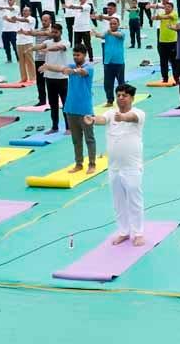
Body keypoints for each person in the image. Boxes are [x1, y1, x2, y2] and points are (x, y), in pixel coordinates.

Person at [84, 83, 146, 246]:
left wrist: (123, 117)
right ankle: (124, 232)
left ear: (132, 98)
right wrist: (92, 119)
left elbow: (131, 118)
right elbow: (102, 119)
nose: (120, 98)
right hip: (114, 167)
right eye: (118, 95)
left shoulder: (138, 113)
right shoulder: (111, 114)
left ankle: (138, 233)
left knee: (135, 200)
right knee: (118, 202)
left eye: (124, 95)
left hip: (132, 167)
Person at [40, 45, 98, 173]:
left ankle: (92, 164)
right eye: (74, 55)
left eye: (78, 55)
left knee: (89, 138)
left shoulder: (89, 68)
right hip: (70, 109)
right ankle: (79, 163)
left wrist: (72, 72)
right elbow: (60, 68)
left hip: (85, 110)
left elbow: (82, 73)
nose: (76, 57)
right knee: (76, 140)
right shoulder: (71, 66)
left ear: (84, 55)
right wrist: (48, 66)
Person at [93, 16, 126, 107]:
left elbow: (118, 35)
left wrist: (111, 32)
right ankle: (110, 100)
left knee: (121, 83)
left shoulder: (121, 33)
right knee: (108, 83)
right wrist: (95, 33)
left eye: (114, 23)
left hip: (119, 62)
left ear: (118, 24)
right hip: (108, 62)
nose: (112, 25)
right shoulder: (107, 34)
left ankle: (123, 100)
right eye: (111, 24)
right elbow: (101, 35)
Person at [151, 0, 178, 85]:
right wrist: (156, 17)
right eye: (165, 7)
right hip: (162, 41)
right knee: (163, 61)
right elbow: (157, 17)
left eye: (169, 7)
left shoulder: (174, 14)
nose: (167, 9)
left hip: (172, 42)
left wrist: (158, 17)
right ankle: (165, 78)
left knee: (174, 61)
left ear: (172, 8)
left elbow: (167, 16)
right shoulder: (163, 15)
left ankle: (176, 78)